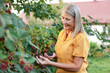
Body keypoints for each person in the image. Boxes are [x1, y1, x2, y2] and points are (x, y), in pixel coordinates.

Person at [36, 3, 90, 73]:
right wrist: (54, 57)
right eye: (62, 17)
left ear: (76, 20)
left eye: (68, 19)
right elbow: (67, 58)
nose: (64, 22)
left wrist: (51, 63)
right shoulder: (63, 33)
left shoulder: (81, 38)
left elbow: (76, 67)